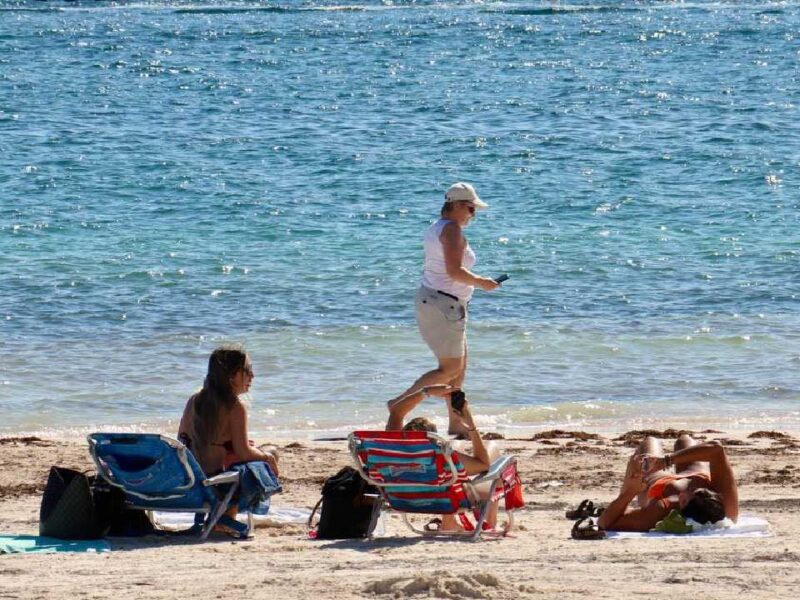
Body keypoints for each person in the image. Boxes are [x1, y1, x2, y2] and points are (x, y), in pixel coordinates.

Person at [390, 182, 501, 435]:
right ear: (458, 205)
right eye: (471, 209)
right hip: (443, 303)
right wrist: (482, 283)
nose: (473, 215)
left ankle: (456, 422)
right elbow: (454, 271)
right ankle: (399, 405)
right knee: (449, 369)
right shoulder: (451, 230)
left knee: (457, 371)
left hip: (442, 302)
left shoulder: (437, 227)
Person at [386, 384, 500, 530]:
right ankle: (488, 522)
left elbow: (396, 410)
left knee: (453, 451)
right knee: (493, 454)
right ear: (433, 438)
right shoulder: (440, 456)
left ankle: (450, 522)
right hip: (443, 502)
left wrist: (426, 391)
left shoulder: (392, 448)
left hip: (403, 500)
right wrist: (470, 425)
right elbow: (484, 465)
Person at [597, 434, 738, 532]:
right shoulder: (727, 507)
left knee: (650, 443)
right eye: (705, 490)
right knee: (684, 439)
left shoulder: (661, 508)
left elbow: (605, 523)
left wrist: (629, 492)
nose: (696, 487)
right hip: (694, 471)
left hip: (659, 481)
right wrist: (666, 460)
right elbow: (716, 449)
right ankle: (672, 456)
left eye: (695, 491)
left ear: (682, 501)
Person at [178, 345, 279, 478]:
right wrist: (268, 457)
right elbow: (244, 453)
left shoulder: (194, 400)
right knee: (272, 451)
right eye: (247, 370)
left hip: (190, 477)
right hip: (217, 480)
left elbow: (181, 440)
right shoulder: (234, 407)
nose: (252, 376)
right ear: (231, 375)